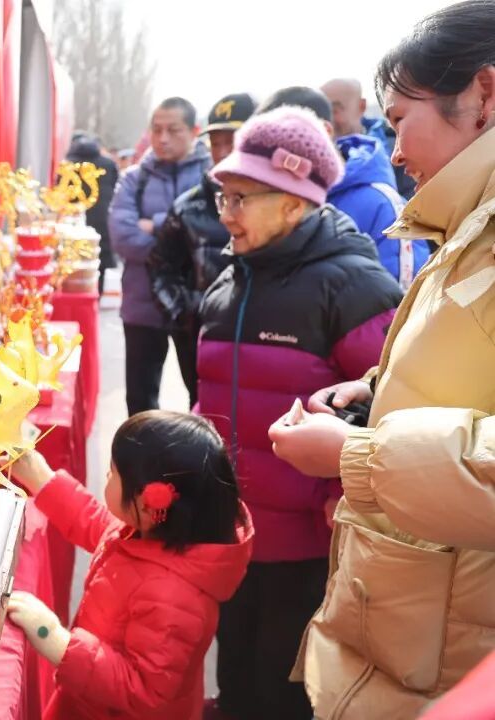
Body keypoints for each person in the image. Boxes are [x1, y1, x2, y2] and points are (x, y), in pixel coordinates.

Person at [268, 2, 495, 716]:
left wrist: (356, 456)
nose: (393, 151)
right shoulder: (466, 227)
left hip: (453, 657)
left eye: (399, 120)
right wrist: (375, 393)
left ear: (483, 96)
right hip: (420, 629)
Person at [199, 106, 402, 719]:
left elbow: (394, 410)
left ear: (293, 203)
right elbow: (213, 394)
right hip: (232, 535)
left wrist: (340, 487)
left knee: (284, 696)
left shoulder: (356, 288)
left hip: (311, 551)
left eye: (241, 198)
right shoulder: (232, 279)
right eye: (223, 198)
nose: (226, 213)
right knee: (235, 680)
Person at [5, 411, 252, 720]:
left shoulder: (174, 598)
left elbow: (142, 691)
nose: (107, 478)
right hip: (88, 697)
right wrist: (40, 477)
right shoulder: (150, 534)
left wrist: (53, 637)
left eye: (112, 473)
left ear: (150, 504)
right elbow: (94, 523)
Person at [150, 92, 256, 406]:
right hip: (199, 336)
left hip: (260, 338)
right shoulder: (188, 207)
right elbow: (160, 268)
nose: (222, 153)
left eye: (232, 142)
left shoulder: (276, 206)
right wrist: (184, 314)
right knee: (204, 410)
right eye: (216, 143)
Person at [108, 97, 210, 415]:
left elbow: (216, 232)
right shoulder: (134, 179)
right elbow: (123, 236)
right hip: (143, 305)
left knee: (203, 397)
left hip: (197, 304)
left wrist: (154, 224)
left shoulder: (212, 177)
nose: (163, 138)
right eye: (156, 130)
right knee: (140, 401)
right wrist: (181, 242)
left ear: (194, 131)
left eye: (173, 130)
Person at [322, 78, 431, 287]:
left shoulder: (400, 151)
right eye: (321, 111)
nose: (328, 120)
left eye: (335, 109)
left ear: (361, 106)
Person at [66, 132, 118, 295]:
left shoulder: (69, 165)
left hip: (73, 221)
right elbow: (115, 187)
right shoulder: (108, 164)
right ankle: (97, 293)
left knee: (73, 261)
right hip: (102, 217)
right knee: (99, 259)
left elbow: (61, 193)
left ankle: (74, 294)